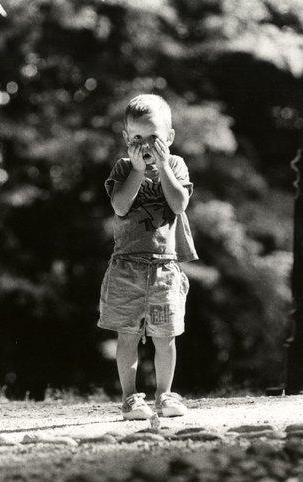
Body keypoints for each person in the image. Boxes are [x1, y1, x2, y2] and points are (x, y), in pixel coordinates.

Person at [98, 94, 198, 420]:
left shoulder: (177, 164)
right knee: (127, 334)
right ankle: (130, 399)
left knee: (165, 336)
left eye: (153, 137)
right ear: (127, 139)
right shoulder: (124, 168)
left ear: (168, 138)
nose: (145, 144)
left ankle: (165, 395)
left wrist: (164, 165)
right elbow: (120, 205)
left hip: (165, 266)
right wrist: (138, 171)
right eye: (137, 138)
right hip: (127, 264)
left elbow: (179, 204)